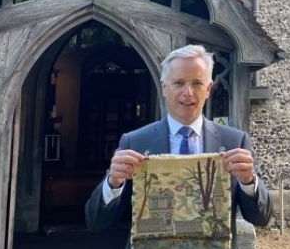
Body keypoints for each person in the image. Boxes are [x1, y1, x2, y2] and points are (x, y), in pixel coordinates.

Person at [85, 44, 273, 247]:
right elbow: (96, 222)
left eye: (197, 83)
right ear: (164, 87)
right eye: (179, 83)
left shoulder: (234, 142)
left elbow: (262, 218)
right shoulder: (134, 142)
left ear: (209, 88)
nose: (188, 92)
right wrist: (113, 183)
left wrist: (248, 182)